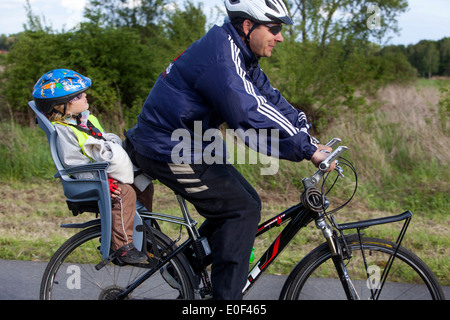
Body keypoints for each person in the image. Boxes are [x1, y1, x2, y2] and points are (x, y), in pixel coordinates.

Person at [125, 0, 335, 299]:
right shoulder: (222, 58)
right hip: (166, 148)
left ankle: (183, 264)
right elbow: (248, 111)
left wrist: (308, 138)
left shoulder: (239, 51)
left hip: (190, 144)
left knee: (247, 202)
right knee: (239, 211)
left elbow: (268, 97)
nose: (280, 37)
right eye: (274, 28)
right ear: (248, 26)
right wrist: (304, 149)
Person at [32, 69, 153, 265]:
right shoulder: (64, 131)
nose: (85, 96)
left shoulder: (86, 120)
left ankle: (145, 233)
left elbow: (103, 141)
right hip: (88, 180)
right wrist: (104, 179)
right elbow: (75, 164)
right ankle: (122, 247)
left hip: (102, 173)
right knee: (125, 193)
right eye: (79, 95)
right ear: (63, 106)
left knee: (144, 184)